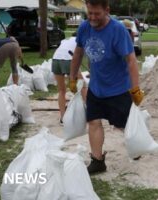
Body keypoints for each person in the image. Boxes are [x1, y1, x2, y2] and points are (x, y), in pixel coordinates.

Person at [69, 0, 144, 174]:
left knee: (125, 125)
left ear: (107, 10)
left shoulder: (118, 30)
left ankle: (137, 145)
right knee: (94, 122)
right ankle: (97, 161)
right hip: (96, 87)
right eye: (90, 13)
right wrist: (72, 78)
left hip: (118, 89)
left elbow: (131, 60)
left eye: (97, 14)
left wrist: (135, 89)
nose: (93, 18)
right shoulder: (84, 28)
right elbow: (78, 53)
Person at [51, 32, 87, 125]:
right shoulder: (80, 40)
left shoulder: (65, 40)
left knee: (61, 90)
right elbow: (80, 56)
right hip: (68, 60)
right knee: (83, 85)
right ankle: (89, 112)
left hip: (55, 60)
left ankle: (63, 118)